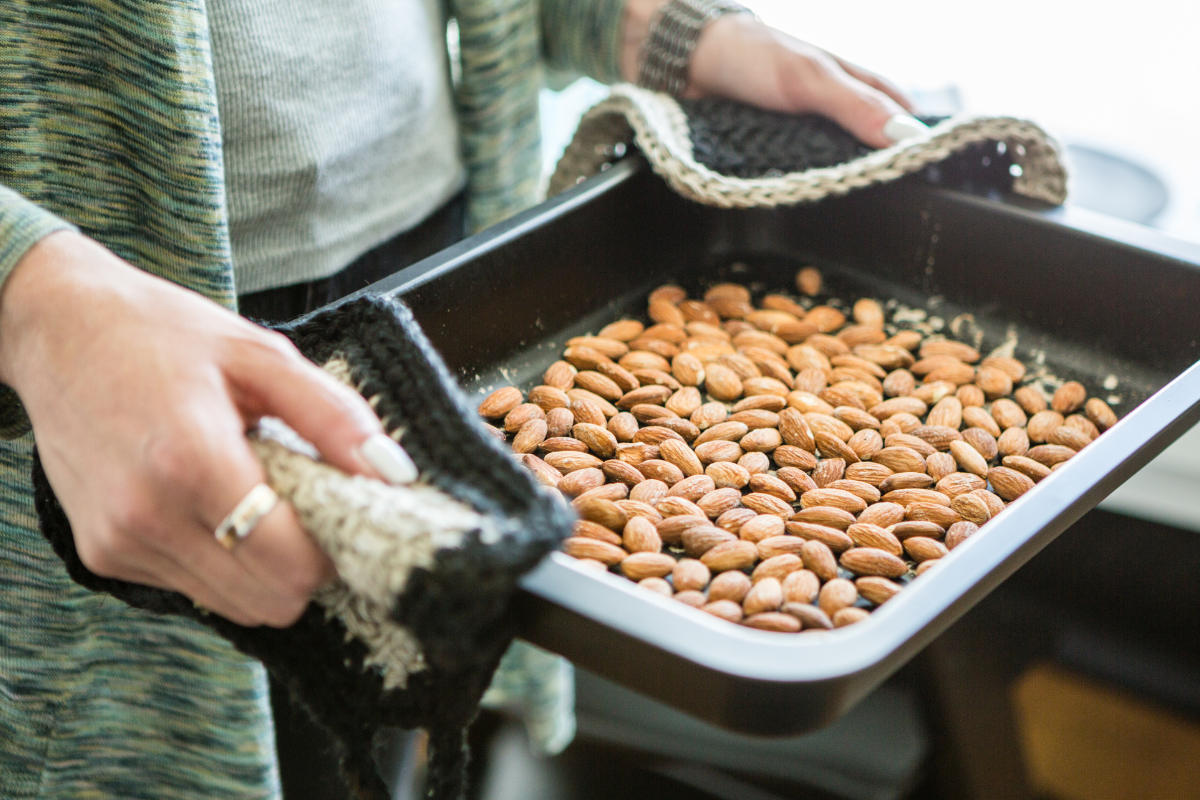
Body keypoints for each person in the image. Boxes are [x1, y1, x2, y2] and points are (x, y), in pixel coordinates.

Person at [0, 0, 920, 795]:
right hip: (101, 355)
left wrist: (660, 29)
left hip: (429, 280)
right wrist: (32, 296)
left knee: (396, 727)